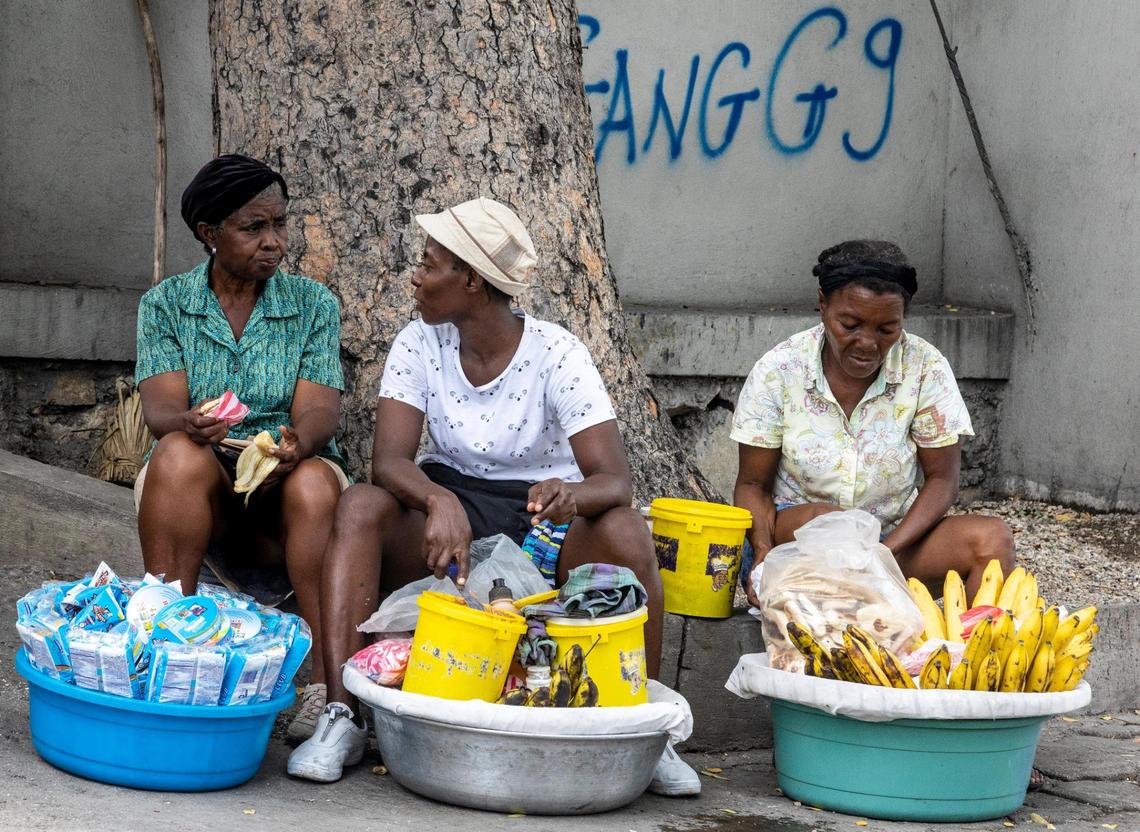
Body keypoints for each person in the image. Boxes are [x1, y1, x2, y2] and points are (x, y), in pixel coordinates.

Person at [287, 197, 698, 796]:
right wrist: (438, 502)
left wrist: (571, 496)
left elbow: (614, 480)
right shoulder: (418, 343)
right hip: (446, 505)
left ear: (472, 280)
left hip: (541, 520)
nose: (416, 277)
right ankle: (345, 715)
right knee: (359, 506)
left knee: (627, 531)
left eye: (430, 265)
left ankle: (649, 731)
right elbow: (389, 462)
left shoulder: (556, 353)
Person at [134, 154, 349, 742]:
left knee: (311, 484)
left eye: (279, 224)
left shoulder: (311, 304)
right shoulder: (166, 305)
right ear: (209, 234)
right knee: (177, 454)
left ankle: (328, 695)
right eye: (253, 228)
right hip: (204, 459)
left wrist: (296, 444)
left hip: (289, 456)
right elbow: (159, 409)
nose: (273, 242)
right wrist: (187, 422)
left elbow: (319, 408)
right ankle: (169, 662)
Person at [733, 240, 1015, 605]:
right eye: (850, 324)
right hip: (796, 544)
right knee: (837, 524)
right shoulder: (779, 371)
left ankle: (969, 657)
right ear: (822, 306)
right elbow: (752, 485)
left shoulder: (925, 368)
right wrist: (762, 548)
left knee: (992, 540)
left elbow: (943, 480)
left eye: (886, 329)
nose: (867, 343)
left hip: (894, 545)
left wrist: (884, 554)